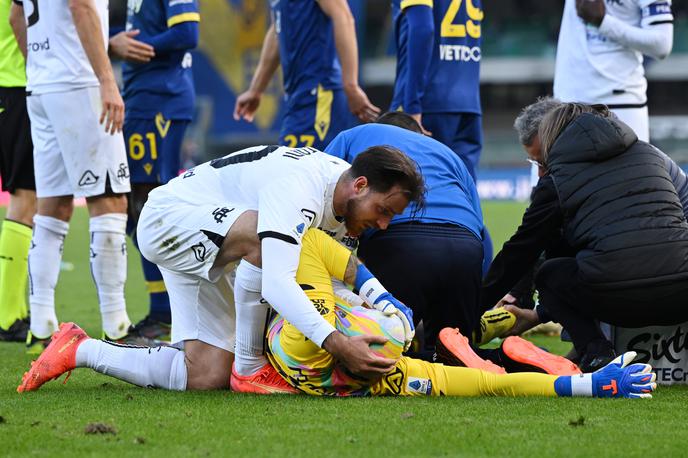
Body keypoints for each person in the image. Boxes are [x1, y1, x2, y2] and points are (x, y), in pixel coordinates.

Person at [18, 227, 657, 400]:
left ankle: (78, 347)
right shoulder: (318, 313)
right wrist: (373, 292)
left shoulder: (381, 363)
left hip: (272, 305)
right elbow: (273, 255)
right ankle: (244, 365)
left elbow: (484, 379)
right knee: (216, 366)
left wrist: (587, 384)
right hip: (212, 251)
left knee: (201, 378)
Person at [19, 144, 425, 392]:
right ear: (359, 186)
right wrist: (337, 344)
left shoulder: (343, 200)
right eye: (384, 210)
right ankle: (251, 370)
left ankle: (79, 349)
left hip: (217, 241)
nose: (384, 224)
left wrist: (381, 305)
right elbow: (281, 281)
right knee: (264, 239)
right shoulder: (301, 187)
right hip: (171, 218)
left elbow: (335, 273)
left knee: (205, 375)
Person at [481, 102, 688, 372]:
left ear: (554, 141)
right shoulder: (650, 154)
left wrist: (469, 311)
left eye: (541, 161)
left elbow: (521, 251)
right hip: (681, 293)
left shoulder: (559, 179)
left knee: (554, 272)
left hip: (619, 301)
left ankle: (596, 352)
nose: (541, 170)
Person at [12, 0, 135, 351]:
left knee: (53, 205)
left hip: (43, 86)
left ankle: (40, 324)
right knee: (109, 200)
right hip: (79, 82)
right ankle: (118, 327)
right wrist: (107, 80)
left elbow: (16, 14)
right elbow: (81, 5)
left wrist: (40, 69)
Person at [324, 112, 485, 361]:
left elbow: (327, 186)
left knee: (379, 354)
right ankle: (513, 362)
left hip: (400, 243)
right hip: (465, 247)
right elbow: (479, 225)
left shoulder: (355, 135)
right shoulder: (448, 153)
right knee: (452, 357)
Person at [111, 0, 200, 340]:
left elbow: (187, 32)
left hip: (160, 100)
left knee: (148, 207)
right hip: (142, 98)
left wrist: (134, 47)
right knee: (136, 210)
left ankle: (168, 311)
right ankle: (166, 307)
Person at [233, 0, 380, 150]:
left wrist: (351, 85)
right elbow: (278, 28)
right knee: (291, 167)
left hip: (321, 96)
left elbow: (343, 16)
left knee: (301, 168)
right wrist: (256, 90)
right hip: (298, 99)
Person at [390, 0, 483, 181]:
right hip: (468, 102)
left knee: (414, 196)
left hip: (426, 104)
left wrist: (412, 105)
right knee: (463, 195)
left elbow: (423, 28)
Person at [554, 0, 674, 142]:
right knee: (544, 164)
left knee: (632, 164)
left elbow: (661, 44)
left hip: (618, 104)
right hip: (565, 101)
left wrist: (604, 22)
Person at [0, 0, 36, 342]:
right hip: (18, 85)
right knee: (26, 199)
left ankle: (12, 310)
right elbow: (17, 17)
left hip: (7, 89)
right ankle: (8, 316)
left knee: (26, 199)